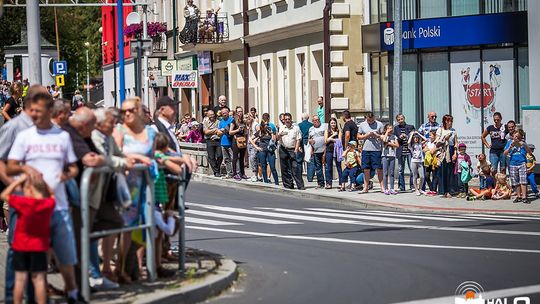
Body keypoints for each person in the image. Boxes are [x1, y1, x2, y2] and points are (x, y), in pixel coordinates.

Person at [6, 92, 85, 303]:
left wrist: (66, 174)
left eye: (39, 112)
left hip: (58, 205)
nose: (34, 115)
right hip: (33, 206)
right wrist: (27, 168)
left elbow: (74, 167)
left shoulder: (62, 136)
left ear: (49, 112)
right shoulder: (25, 136)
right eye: (32, 111)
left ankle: (73, 293)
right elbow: (12, 165)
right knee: (33, 260)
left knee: (66, 254)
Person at [113, 97, 157, 283]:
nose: (127, 114)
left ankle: (134, 269)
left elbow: (154, 157)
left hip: (144, 186)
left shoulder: (150, 133)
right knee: (123, 229)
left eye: (131, 110)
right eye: (123, 111)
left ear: (139, 111)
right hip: (123, 186)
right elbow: (115, 153)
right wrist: (137, 156)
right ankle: (119, 269)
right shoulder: (119, 131)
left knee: (141, 229)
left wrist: (181, 158)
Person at [1, 174, 55, 304]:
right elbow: (53, 195)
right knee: (39, 279)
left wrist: (18, 181)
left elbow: (4, 195)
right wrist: (45, 183)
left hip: (20, 247)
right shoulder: (46, 204)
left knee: (20, 279)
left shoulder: (23, 203)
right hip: (39, 248)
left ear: (29, 190)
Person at [357, 112, 384, 193]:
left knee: (379, 169)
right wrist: (366, 136)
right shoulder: (362, 125)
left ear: (374, 118)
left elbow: (384, 136)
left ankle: (382, 187)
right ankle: (365, 187)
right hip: (366, 149)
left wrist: (377, 135)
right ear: (366, 118)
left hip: (376, 150)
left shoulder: (380, 124)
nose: (370, 122)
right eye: (369, 120)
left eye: (372, 120)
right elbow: (358, 136)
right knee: (366, 169)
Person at [277, 113, 305, 190]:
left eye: (289, 119)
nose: (287, 121)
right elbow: (277, 138)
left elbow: (298, 139)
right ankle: (288, 184)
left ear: (291, 119)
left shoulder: (295, 128)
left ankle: (300, 185)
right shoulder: (282, 127)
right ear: (284, 120)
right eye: (286, 119)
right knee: (284, 168)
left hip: (292, 149)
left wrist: (296, 149)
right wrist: (280, 135)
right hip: (283, 148)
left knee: (295, 167)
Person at [504, 129, 532, 204]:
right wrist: (510, 147)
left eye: (519, 137)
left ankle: (524, 197)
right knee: (516, 181)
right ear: (513, 136)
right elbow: (505, 153)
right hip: (513, 163)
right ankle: (519, 196)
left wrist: (524, 144)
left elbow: (529, 152)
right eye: (516, 137)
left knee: (523, 180)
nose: (517, 139)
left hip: (522, 162)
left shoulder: (523, 143)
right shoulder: (509, 142)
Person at [436, 114, 458, 198]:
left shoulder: (453, 130)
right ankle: (443, 190)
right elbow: (437, 142)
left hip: (451, 150)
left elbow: (456, 142)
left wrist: (455, 153)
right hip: (443, 151)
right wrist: (445, 138)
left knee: (451, 171)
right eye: (450, 121)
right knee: (443, 171)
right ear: (446, 121)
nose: (451, 123)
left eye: (452, 121)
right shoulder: (440, 130)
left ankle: (451, 190)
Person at [251, 121, 279, 185]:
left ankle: (276, 182)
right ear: (262, 125)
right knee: (263, 166)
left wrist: (272, 133)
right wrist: (256, 147)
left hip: (270, 150)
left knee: (272, 167)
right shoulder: (260, 132)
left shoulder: (270, 131)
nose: (266, 126)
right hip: (262, 150)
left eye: (267, 124)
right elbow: (250, 139)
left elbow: (274, 141)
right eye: (264, 124)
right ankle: (265, 181)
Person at [394, 114, 415, 191]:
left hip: (409, 151)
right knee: (400, 170)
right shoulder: (396, 128)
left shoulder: (410, 127)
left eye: (401, 119)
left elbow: (414, 137)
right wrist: (400, 137)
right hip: (400, 151)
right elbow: (395, 139)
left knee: (412, 169)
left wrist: (407, 136)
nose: (400, 120)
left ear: (404, 118)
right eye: (399, 119)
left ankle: (412, 186)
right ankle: (402, 186)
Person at [324, 117, 343, 189]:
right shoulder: (327, 131)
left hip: (337, 150)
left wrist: (331, 139)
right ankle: (329, 183)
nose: (333, 124)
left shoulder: (339, 131)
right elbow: (325, 141)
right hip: (329, 150)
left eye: (334, 123)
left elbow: (339, 141)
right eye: (332, 123)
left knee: (339, 167)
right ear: (329, 124)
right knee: (329, 167)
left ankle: (341, 183)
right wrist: (332, 136)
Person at [203, 109, 223, 177]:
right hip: (209, 140)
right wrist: (215, 130)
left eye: (213, 114)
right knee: (211, 157)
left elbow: (220, 131)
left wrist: (211, 131)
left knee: (220, 156)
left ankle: (217, 168)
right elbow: (206, 132)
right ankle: (216, 172)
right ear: (207, 115)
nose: (212, 116)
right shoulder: (205, 122)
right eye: (210, 115)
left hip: (217, 140)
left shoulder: (218, 121)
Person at [308, 115, 326, 189]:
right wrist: (310, 143)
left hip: (324, 149)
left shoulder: (324, 127)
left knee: (327, 167)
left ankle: (328, 182)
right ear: (313, 121)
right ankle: (321, 183)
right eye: (315, 120)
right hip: (316, 151)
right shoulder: (311, 129)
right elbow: (309, 139)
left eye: (318, 120)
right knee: (318, 167)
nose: (317, 121)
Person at [230, 110, 248, 180]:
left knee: (242, 158)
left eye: (241, 111)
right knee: (235, 157)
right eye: (238, 112)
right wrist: (237, 130)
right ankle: (234, 173)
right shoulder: (233, 121)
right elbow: (230, 132)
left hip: (242, 140)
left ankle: (242, 173)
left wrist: (246, 131)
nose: (240, 113)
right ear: (236, 113)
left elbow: (245, 131)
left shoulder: (243, 121)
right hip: (236, 140)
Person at [381, 124, 399, 195]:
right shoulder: (383, 135)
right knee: (385, 173)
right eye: (389, 128)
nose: (390, 130)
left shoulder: (394, 136)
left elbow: (397, 145)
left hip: (392, 155)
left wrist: (390, 144)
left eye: (391, 128)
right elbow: (384, 140)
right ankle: (385, 188)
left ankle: (392, 188)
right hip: (385, 156)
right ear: (385, 129)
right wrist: (386, 133)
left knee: (391, 173)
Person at [218, 107, 234, 178]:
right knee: (226, 159)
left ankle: (235, 173)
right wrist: (222, 131)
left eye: (225, 112)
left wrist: (223, 130)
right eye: (223, 113)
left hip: (231, 142)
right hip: (223, 143)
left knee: (233, 158)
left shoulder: (232, 120)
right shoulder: (221, 121)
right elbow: (218, 132)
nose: (224, 114)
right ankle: (229, 173)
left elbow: (229, 130)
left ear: (228, 113)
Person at [409, 131, 426, 196]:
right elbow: (408, 142)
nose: (415, 139)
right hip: (414, 161)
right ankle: (416, 189)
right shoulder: (411, 145)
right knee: (415, 176)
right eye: (414, 138)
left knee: (422, 176)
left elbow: (426, 139)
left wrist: (418, 134)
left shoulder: (420, 144)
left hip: (420, 161)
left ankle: (420, 189)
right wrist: (411, 135)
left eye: (417, 138)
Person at [298, 113, 314, 180]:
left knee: (300, 160)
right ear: (308, 118)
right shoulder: (311, 125)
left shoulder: (299, 125)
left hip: (301, 142)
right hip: (309, 141)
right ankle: (310, 177)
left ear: (302, 118)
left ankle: (299, 175)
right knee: (310, 159)